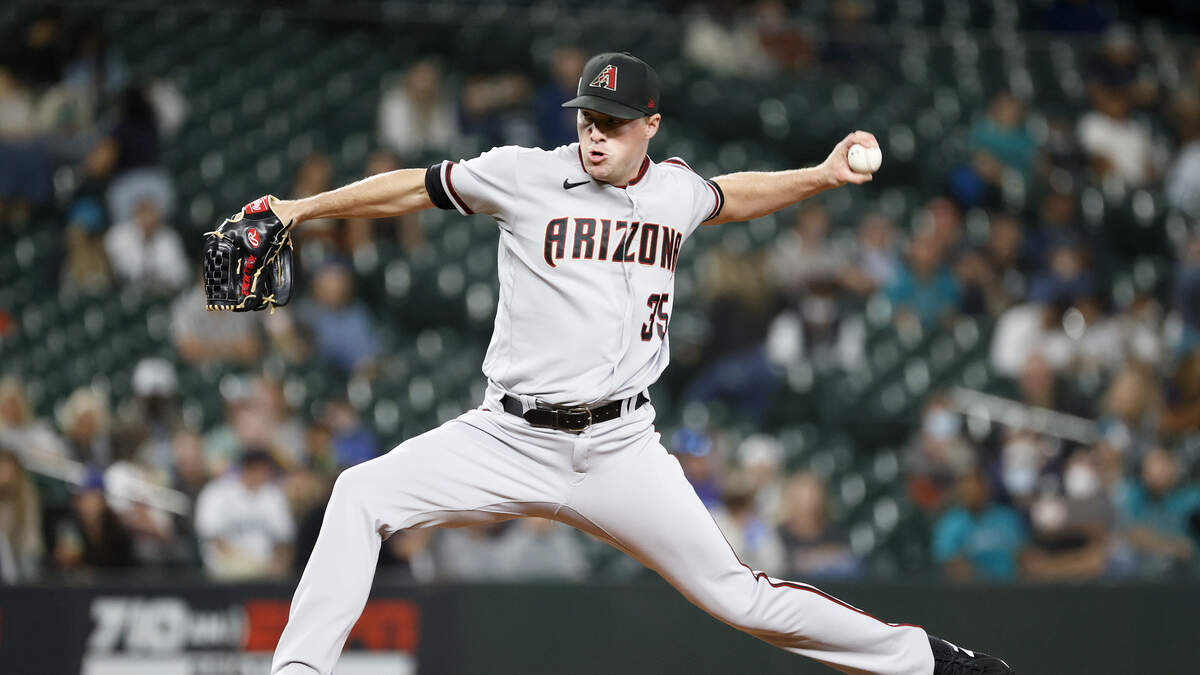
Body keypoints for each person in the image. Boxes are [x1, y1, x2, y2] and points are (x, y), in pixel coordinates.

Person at [243, 52, 1010, 674]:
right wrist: (302, 210)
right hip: (507, 436)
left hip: (620, 448)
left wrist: (818, 175)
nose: (595, 134)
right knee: (359, 493)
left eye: (613, 122)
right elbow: (414, 187)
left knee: (740, 597)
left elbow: (728, 197)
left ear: (651, 125)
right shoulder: (527, 174)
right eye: (587, 119)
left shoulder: (672, 191)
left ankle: (926, 662)